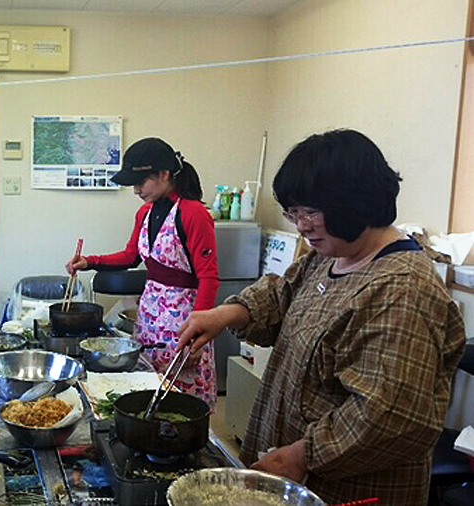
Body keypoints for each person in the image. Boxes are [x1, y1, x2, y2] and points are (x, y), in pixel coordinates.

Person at [177, 129, 466, 505]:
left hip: (349, 488)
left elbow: (387, 416)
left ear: (356, 202)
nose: (301, 225)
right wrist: (226, 313)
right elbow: (282, 296)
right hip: (295, 472)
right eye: (293, 212)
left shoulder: (402, 288)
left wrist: (302, 454)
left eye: (311, 211)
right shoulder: (330, 255)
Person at [65, 137, 219, 407]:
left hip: (183, 321)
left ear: (164, 174)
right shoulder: (145, 213)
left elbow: (209, 277)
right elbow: (130, 256)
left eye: (140, 182)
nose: (136, 190)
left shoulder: (193, 214)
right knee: (146, 391)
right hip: (149, 316)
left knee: (181, 402)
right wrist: (89, 261)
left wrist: (197, 336)